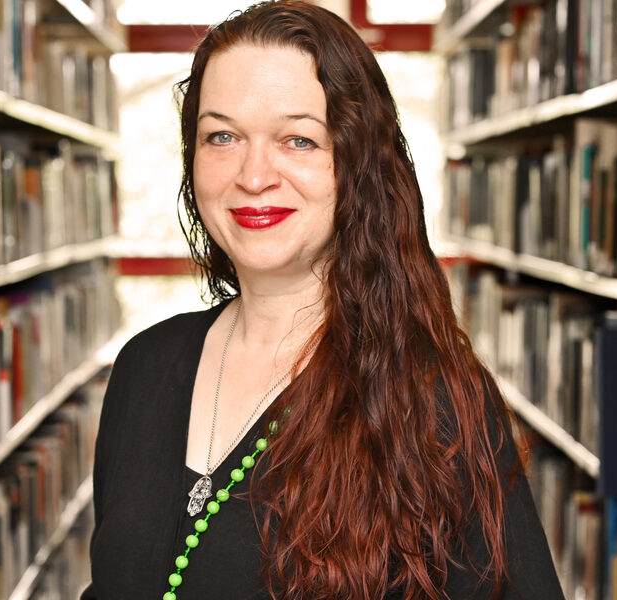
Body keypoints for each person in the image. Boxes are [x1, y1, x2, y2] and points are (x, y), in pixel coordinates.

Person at [82, 2, 563, 598]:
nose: (254, 175)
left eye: (299, 139)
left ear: (358, 162)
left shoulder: (433, 400)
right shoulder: (144, 367)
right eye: (222, 135)